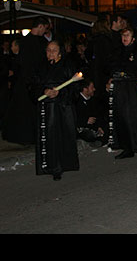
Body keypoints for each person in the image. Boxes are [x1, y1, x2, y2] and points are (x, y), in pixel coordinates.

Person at [34, 40, 81, 181]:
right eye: (48, 50)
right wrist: (44, 90)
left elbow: (75, 89)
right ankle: (51, 166)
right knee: (49, 137)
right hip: (46, 107)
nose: (51, 53)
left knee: (62, 136)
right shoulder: (41, 66)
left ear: (60, 52)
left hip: (62, 107)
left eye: (54, 50)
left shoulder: (67, 66)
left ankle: (62, 165)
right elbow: (32, 84)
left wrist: (60, 93)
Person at [107, 27, 137, 159]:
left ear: (133, 38)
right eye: (123, 35)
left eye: (127, 35)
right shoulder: (118, 52)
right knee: (123, 118)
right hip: (121, 89)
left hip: (134, 89)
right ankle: (127, 147)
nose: (124, 38)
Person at [1, 16, 48, 145]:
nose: (45, 31)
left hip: (27, 80)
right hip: (30, 81)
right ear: (40, 26)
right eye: (44, 28)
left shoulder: (27, 41)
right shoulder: (33, 42)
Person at [74, 78, 106, 145]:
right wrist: (86, 120)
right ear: (85, 89)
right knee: (89, 134)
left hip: (93, 127)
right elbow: (73, 118)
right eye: (92, 88)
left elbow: (98, 115)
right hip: (81, 128)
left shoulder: (93, 100)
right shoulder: (76, 100)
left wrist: (99, 126)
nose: (94, 89)